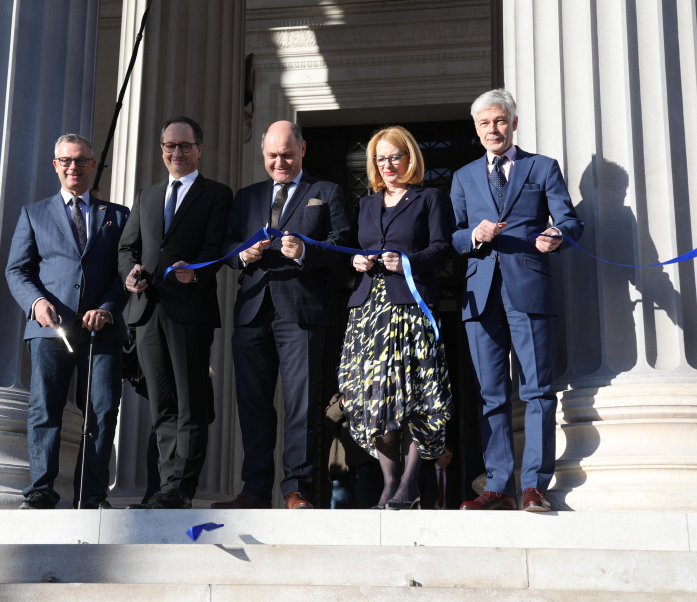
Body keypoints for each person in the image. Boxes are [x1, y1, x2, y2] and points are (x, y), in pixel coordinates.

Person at [451, 89, 584, 511]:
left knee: (537, 390)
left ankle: (534, 486)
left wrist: (557, 237)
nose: (493, 129)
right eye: (484, 123)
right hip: (480, 294)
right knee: (491, 393)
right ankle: (497, 487)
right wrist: (475, 235)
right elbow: (451, 237)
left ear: (514, 122)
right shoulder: (463, 176)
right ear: (476, 129)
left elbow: (569, 221)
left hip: (529, 289)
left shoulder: (542, 167)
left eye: (500, 121)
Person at [212, 120, 351, 510]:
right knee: (253, 404)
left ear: (303, 150)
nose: (280, 162)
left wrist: (305, 253)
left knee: (300, 404)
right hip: (253, 309)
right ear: (263, 154)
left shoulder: (325, 192)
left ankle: (297, 489)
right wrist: (242, 254)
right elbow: (226, 242)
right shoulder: (247, 196)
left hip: (301, 311)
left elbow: (343, 245)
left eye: (287, 155)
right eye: (272, 156)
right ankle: (255, 490)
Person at [5, 133, 129, 509]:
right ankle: (42, 489)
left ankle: (90, 495)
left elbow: (124, 273)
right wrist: (37, 302)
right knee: (46, 408)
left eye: (81, 160)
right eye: (66, 161)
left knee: (103, 409)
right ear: (56, 165)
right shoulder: (34, 214)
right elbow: (17, 271)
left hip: (101, 330)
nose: (74, 166)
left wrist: (107, 306)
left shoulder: (118, 216)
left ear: (93, 165)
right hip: (50, 328)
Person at [118, 117, 232, 509]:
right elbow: (127, 249)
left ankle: (183, 486)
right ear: (162, 149)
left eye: (184, 146)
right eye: (169, 146)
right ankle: (165, 487)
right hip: (147, 311)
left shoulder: (216, 194)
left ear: (199, 149)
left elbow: (217, 248)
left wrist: (196, 271)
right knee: (162, 404)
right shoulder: (147, 196)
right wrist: (130, 275)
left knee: (190, 403)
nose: (176, 153)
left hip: (190, 311)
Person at [338, 125, 454, 511]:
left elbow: (443, 248)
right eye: (380, 158)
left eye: (394, 157)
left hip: (411, 308)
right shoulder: (367, 204)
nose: (387, 165)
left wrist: (407, 260)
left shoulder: (430, 198)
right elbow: (358, 249)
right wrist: (357, 260)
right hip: (369, 313)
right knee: (374, 400)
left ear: (410, 159)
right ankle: (389, 484)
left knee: (416, 397)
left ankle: (409, 482)